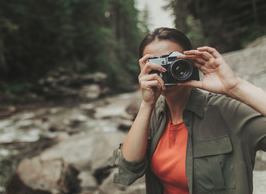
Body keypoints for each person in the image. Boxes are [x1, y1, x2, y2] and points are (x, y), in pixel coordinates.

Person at [111, 27, 266, 193]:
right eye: (157, 64)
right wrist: (146, 104)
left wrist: (235, 86)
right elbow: (127, 171)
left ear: (190, 61)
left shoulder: (227, 111)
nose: (166, 70)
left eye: (173, 61)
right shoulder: (153, 115)